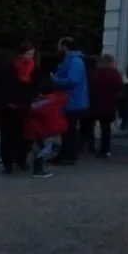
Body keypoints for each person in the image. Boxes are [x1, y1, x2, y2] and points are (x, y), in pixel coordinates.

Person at [0, 42, 37, 174]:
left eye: (32, 54)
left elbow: (35, 86)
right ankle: (7, 162)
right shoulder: (9, 68)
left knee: (25, 135)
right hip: (10, 107)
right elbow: (1, 86)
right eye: (28, 54)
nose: (31, 57)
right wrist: (6, 101)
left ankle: (21, 159)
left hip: (26, 106)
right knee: (9, 135)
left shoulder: (33, 68)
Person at [49, 37, 89, 165]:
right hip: (70, 100)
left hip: (73, 100)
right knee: (67, 129)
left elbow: (72, 80)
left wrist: (55, 80)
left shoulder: (75, 61)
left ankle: (69, 156)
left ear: (65, 47)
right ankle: (65, 154)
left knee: (70, 129)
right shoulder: (72, 60)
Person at [24, 79, 68, 179]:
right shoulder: (54, 100)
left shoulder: (35, 103)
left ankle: (36, 167)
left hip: (38, 129)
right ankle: (38, 170)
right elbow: (64, 97)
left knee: (39, 148)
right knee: (46, 149)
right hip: (50, 129)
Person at [87, 55, 124, 158]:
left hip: (94, 104)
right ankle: (105, 149)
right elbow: (119, 88)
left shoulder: (93, 73)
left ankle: (90, 146)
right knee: (106, 128)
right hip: (109, 104)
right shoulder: (114, 74)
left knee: (90, 126)